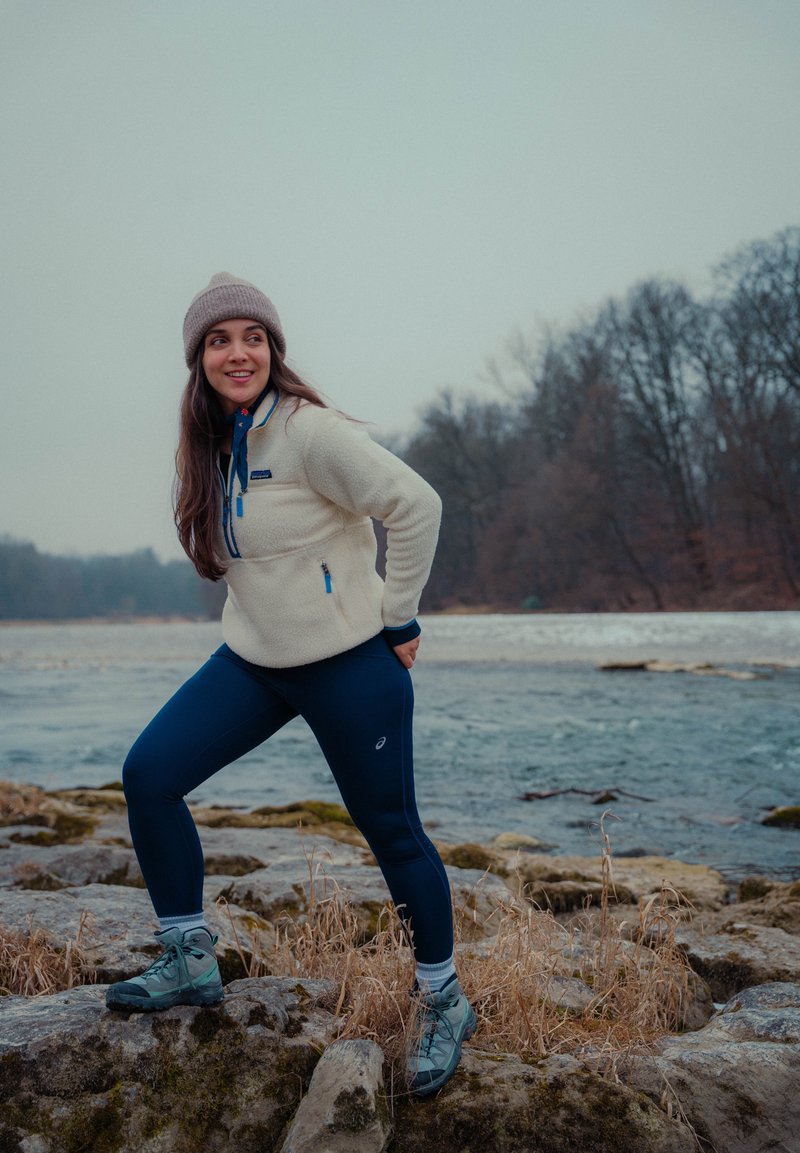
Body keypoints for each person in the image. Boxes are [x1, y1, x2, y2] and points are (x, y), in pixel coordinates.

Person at [105, 272, 476, 1096]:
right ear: (198, 359)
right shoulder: (208, 445)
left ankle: (443, 998)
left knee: (391, 829)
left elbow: (416, 504)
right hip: (253, 663)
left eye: (254, 337)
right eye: (219, 340)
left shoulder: (311, 432)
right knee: (149, 775)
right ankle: (188, 954)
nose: (239, 352)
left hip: (351, 665)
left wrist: (401, 618)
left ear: (274, 350)